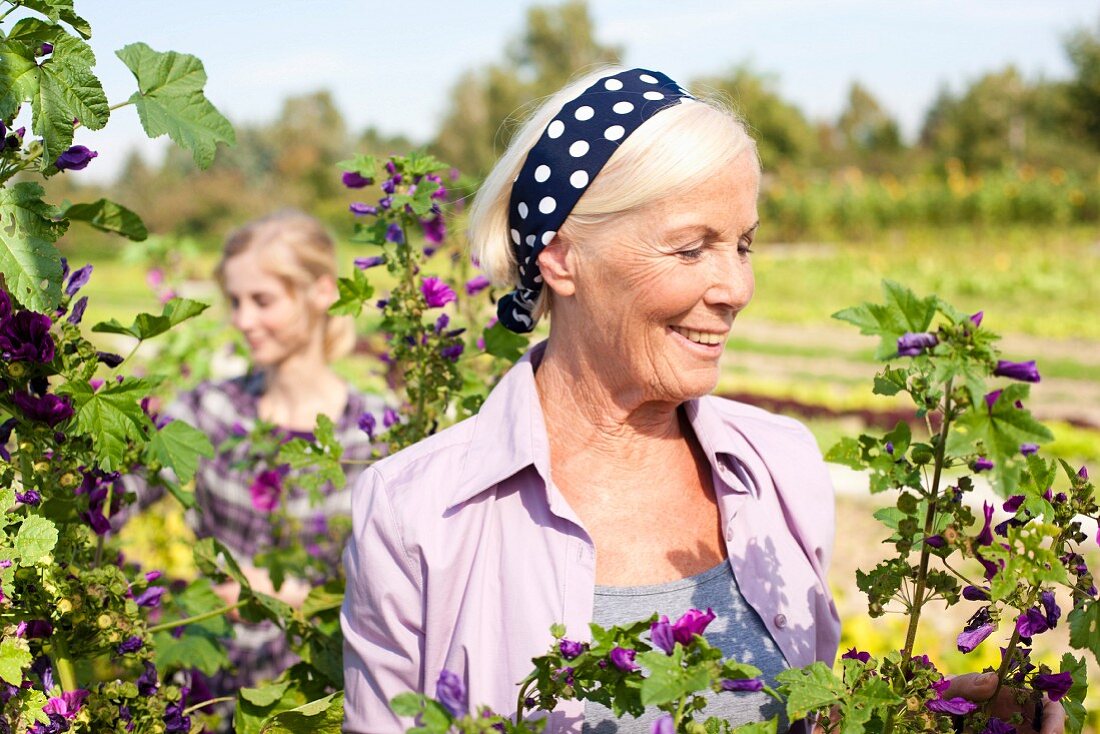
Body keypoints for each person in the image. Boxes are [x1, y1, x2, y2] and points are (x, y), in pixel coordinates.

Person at [340, 69, 1064, 734]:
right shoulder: (418, 514)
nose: (735, 289)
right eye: (691, 249)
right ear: (562, 258)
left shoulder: (779, 466)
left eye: (742, 245)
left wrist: (923, 715)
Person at [121, 210, 383, 697]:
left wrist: (300, 598)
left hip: (323, 691)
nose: (243, 320)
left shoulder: (376, 435)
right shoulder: (208, 411)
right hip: (210, 684)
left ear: (322, 291)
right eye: (235, 302)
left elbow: (402, 587)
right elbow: (113, 494)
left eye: (262, 301)